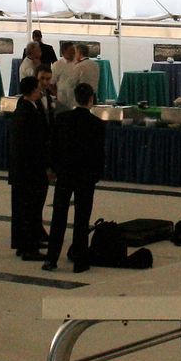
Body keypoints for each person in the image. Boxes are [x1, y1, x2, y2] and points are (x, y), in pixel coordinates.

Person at [45, 82, 107, 272]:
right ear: (91, 99)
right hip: (86, 176)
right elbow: (99, 154)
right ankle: (80, 261)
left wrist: (53, 168)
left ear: (75, 98)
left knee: (59, 216)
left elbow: (53, 146)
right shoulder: (97, 124)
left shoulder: (62, 119)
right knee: (81, 218)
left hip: (65, 173)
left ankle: (51, 259)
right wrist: (96, 174)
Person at [8, 75, 50, 260]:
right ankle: (28, 248)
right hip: (29, 169)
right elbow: (33, 143)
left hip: (24, 169)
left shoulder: (27, 107)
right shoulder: (27, 112)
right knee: (28, 208)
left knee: (27, 208)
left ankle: (26, 242)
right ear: (33, 90)